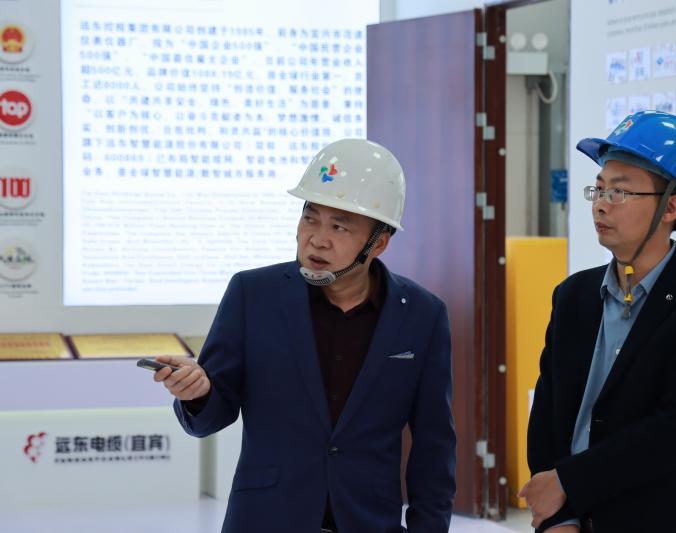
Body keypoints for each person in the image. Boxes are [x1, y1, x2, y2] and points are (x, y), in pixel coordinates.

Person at [152, 139, 456, 533]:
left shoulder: (422, 315)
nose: (317, 238)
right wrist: (198, 394)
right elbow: (212, 413)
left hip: (368, 521)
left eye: (339, 226)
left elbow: (434, 445)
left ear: (378, 243)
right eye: (310, 218)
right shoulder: (253, 295)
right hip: (265, 520)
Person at [518, 111, 676, 533]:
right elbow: (548, 416)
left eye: (620, 192)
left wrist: (568, 482)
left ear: (671, 207)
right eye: (599, 188)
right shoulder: (573, 296)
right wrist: (557, 519)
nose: (601, 203)